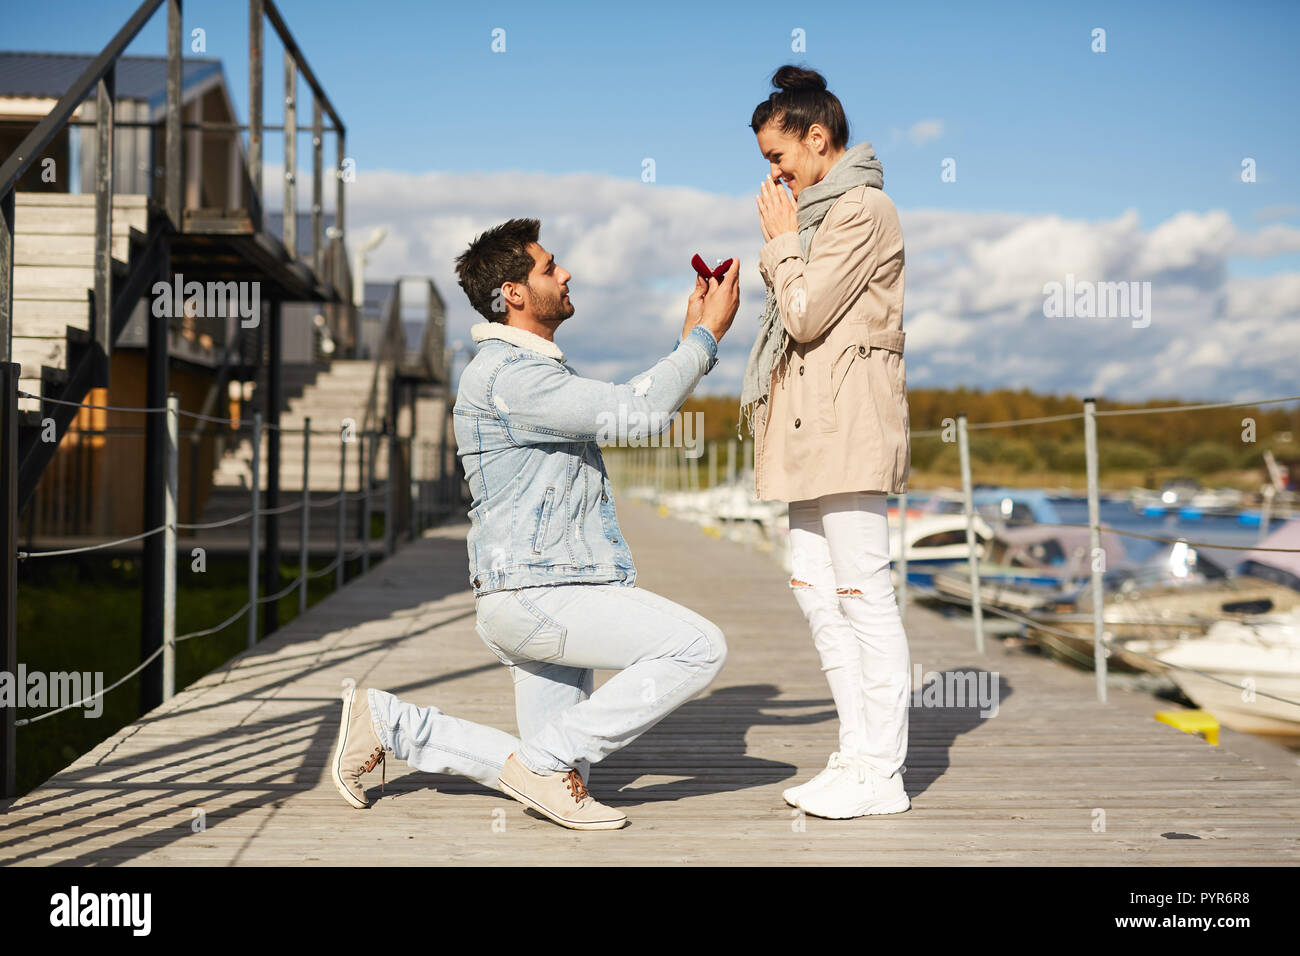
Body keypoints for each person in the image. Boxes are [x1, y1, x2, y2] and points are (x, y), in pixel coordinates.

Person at [329, 218, 741, 830]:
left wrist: (688, 338)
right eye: (550, 267)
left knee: (561, 773)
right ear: (515, 293)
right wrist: (704, 340)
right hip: (539, 596)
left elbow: (628, 407)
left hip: (549, 593)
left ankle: (390, 724)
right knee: (698, 647)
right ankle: (541, 764)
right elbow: (638, 412)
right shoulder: (510, 378)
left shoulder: (532, 373)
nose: (566, 272)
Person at [742, 65, 912, 819]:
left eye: (779, 158)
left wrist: (779, 247)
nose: (773, 176)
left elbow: (806, 314)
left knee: (863, 596)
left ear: (818, 137)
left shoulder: (864, 208)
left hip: (849, 425)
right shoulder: (818, 216)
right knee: (817, 595)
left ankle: (883, 772)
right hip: (809, 431)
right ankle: (854, 751)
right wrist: (786, 245)